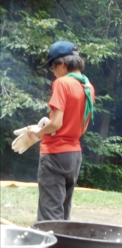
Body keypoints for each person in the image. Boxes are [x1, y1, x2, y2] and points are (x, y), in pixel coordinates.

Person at [27, 41, 95, 221]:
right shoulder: (87, 86)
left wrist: (38, 130)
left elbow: (56, 124)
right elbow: (83, 126)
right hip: (74, 155)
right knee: (64, 211)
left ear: (62, 65)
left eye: (52, 66)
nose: (52, 72)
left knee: (49, 214)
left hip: (55, 154)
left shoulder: (62, 83)